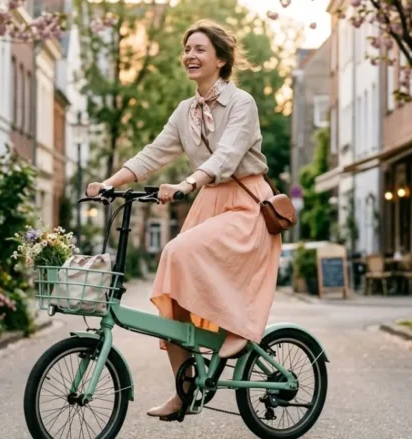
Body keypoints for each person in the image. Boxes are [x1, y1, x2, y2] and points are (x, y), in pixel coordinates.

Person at [85, 19, 281, 419]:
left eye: (199, 49)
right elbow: (152, 154)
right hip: (208, 205)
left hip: (245, 208)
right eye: (187, 49)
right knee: (171, 291)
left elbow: (226, 156)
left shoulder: (241, 103)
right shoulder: (184, 111)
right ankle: (185, 388)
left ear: (221, 59)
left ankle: (237, 328)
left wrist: (188, 182)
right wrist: (109, 182)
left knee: (176, 251)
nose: (190, 56)